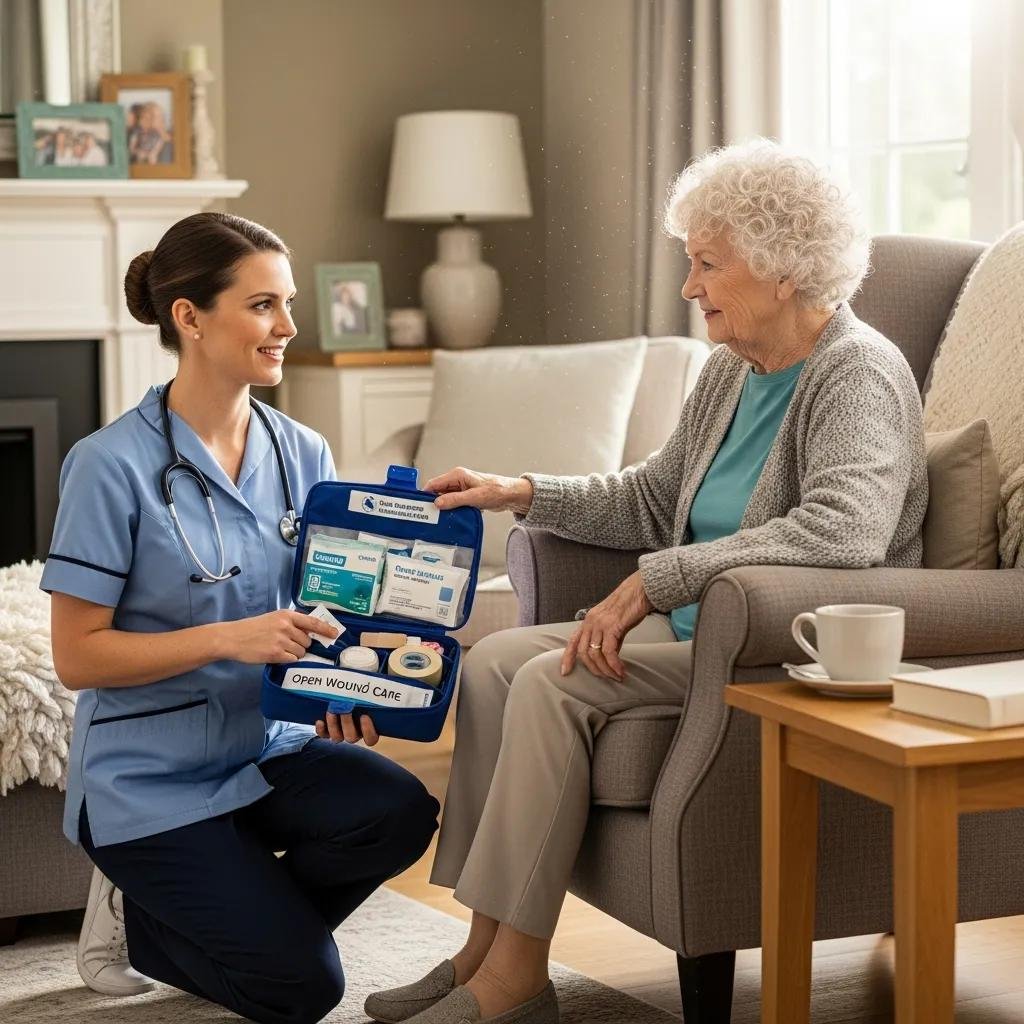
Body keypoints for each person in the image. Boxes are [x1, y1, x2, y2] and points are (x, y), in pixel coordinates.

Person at [364, 139, 929, 1024]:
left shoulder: (858, 372)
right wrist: (520, 490)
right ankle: (480, 952)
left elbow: (845, 530)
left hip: (783, 646)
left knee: (552, 683)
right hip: (701, 627)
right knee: (495, 663)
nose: (690, 287)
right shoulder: (731, 370)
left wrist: (658, 581)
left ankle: (517, 981)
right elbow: (654, 497)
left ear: (785, 269)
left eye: (709, 264)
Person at [43, 211, 439, 1024]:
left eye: (288, 303)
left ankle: (206, 903)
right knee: (302, 989)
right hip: (148, 780)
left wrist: (339, 687)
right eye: (263, 305)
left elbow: (320, 611)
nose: (287, 326)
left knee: (401, 811)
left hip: (266, 748)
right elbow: (77, 657)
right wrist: (231, 638)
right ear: (189, 317)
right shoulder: (107, 465)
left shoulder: (303, 452)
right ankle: (145, 922)